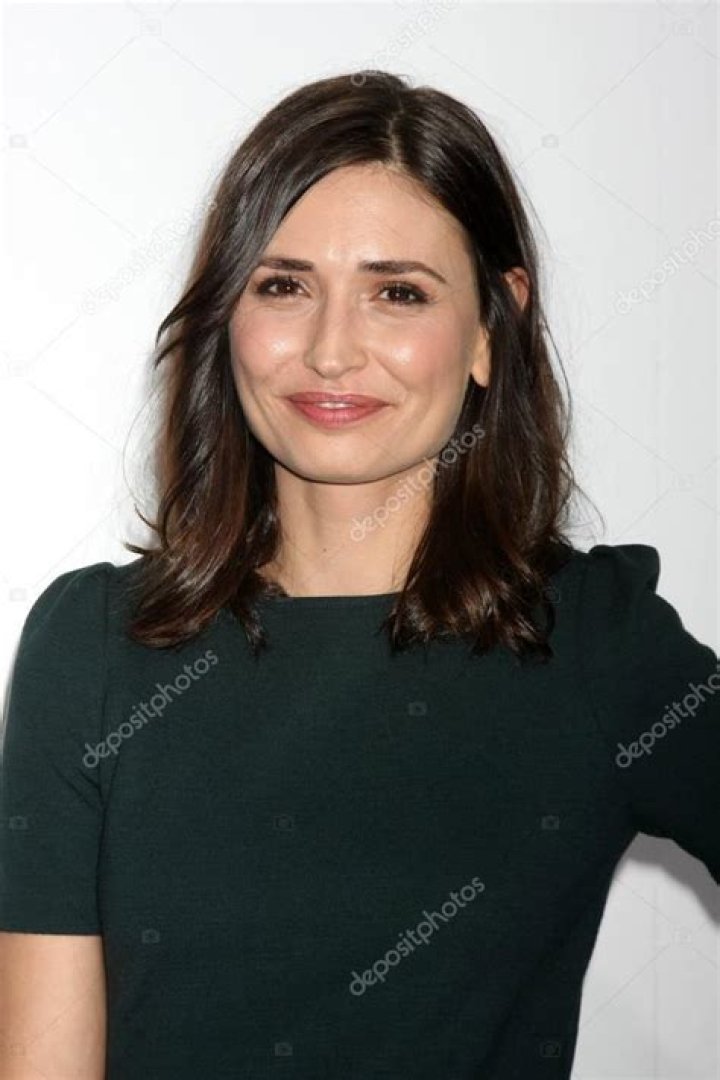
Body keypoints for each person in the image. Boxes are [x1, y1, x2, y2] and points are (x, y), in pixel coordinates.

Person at [0, 69, 718, 1080]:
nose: (332, 352)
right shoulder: (93, 642)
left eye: (398, 293)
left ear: (492, 325)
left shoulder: (592, 640)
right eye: (283, 286)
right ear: (228, 313)